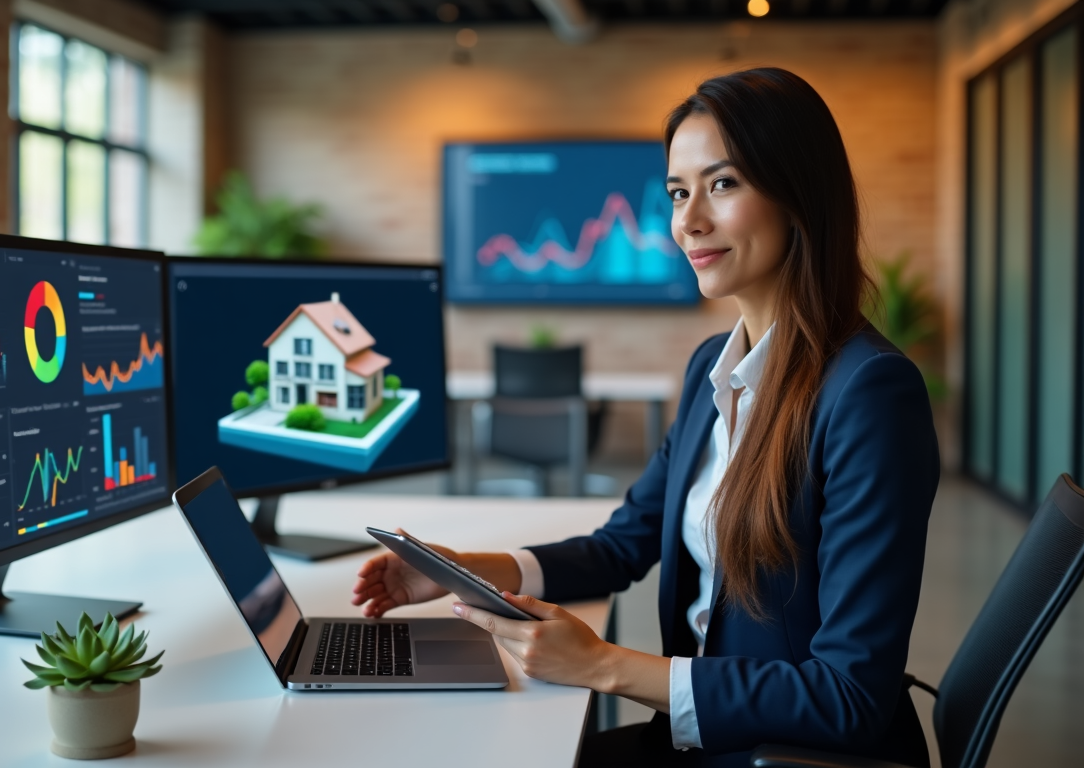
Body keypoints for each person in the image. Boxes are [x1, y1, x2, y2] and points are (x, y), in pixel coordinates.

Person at [351, 67, 940, 768]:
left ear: (799, 195)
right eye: (676, 192)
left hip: (788, 752)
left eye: (723, 184)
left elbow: (851, 695)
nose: (688, 220)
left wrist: (604, 665)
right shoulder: (709, 369)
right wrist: (462, 571)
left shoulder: (869, 393)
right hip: (712, 736)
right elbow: (619, 546)